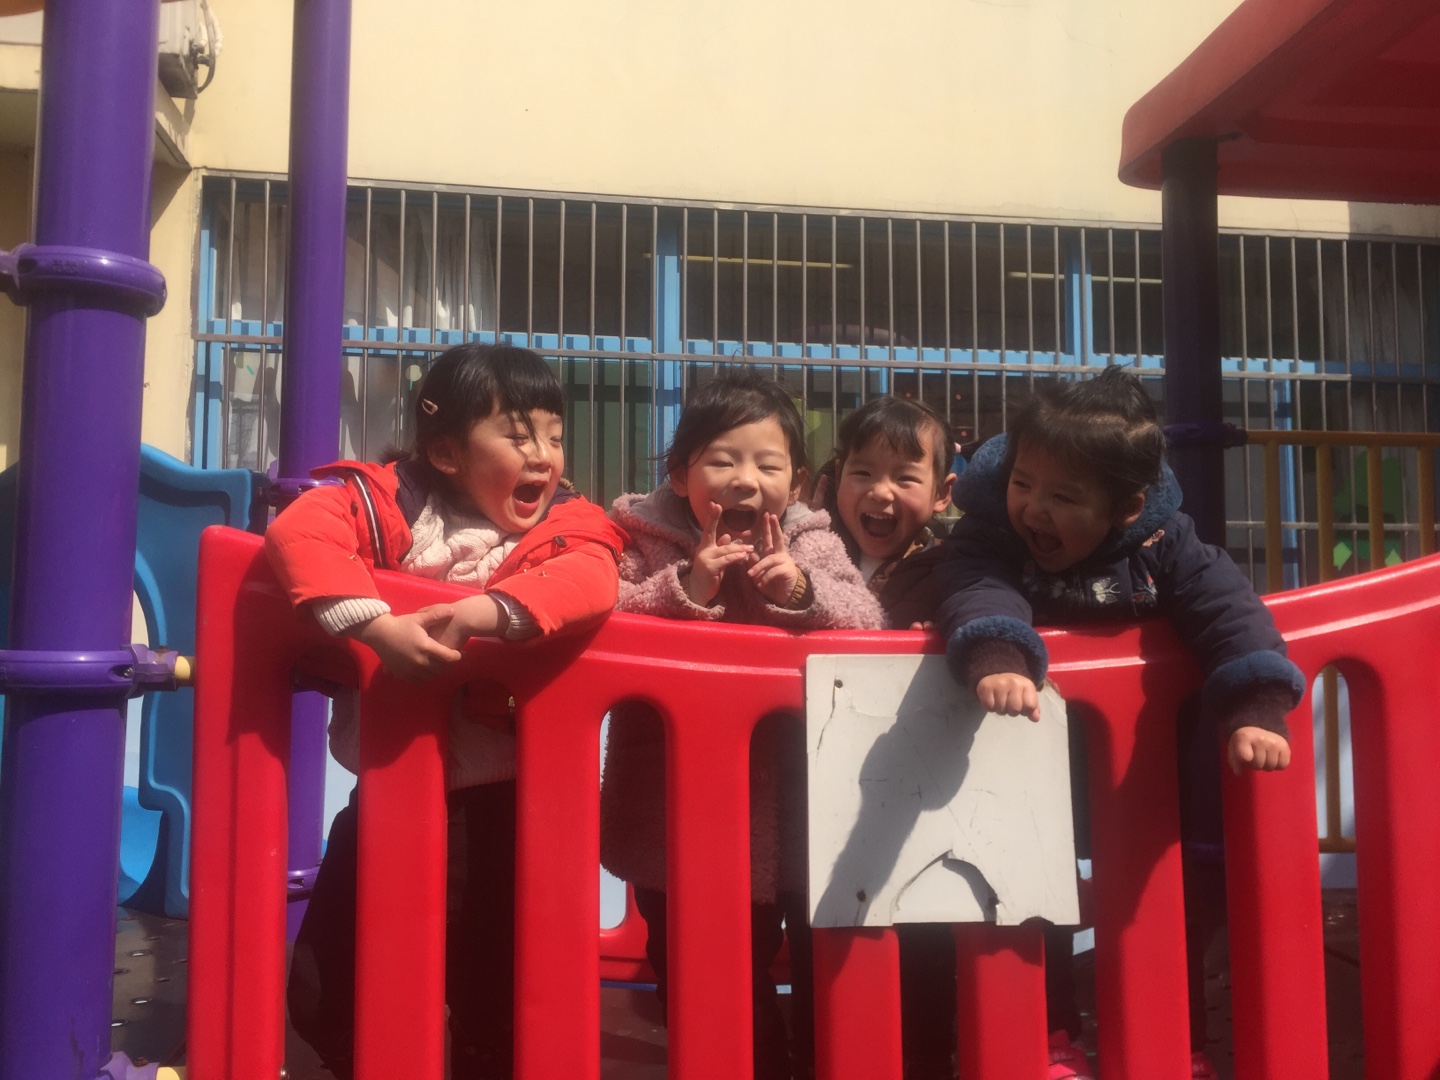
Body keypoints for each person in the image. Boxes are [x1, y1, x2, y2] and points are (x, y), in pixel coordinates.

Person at [265, 343, 627, 1080]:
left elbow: (592, 577)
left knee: (493, 994)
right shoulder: (388, 505)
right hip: (389, 788)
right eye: (518, 435)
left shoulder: (566, 524)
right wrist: (374, 626)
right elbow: (299, 531)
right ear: (447, 452)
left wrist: (486, 613)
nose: (544, 455)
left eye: (555, 436)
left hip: (504, 806)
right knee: (322, 987)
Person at [933, 365, 1301, 1080]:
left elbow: (1229, 613)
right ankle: (1049, 1035)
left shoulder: (1165, 545)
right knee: (1034, 893)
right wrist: (999, 653)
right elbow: (975, 584)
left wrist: (1256, 706)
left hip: (1141, 769)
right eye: (1023, 483)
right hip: (1028, 760)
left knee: (1155, 900)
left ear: (1126, 508)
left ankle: (1174, 1038)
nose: (1034, 509)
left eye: (1064, 497)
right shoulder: (992, 534)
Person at [600, 368, 884, 1080]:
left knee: (822, 964)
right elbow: (607, 617)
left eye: (768, 464)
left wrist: (802, 591)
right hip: (676, 812)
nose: (744, 481)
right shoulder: (644, 537)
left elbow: (868, 619)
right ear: (679, 473)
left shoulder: (811, 539)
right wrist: (687, 588)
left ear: (797, 481)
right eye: (722, 461)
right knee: (698, 967)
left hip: (799, 811)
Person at [817, 395, 963, 1080]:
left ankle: (927, 1059)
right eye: (862, 472)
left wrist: (947, 636)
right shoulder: (811, 558)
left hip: (916, 801)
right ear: (834, 478)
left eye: (905, 476)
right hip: (822, 795)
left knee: (923, 938)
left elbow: (989, 608)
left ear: (941, 493)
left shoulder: (954, 571)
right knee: (825, 946)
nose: (880, 493)